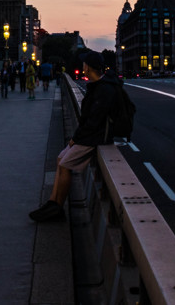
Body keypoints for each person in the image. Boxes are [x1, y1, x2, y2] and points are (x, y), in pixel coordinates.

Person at [30, 51, 119, 222]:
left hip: (95, 137)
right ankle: (52, 202)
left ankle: (57, 208)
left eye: (84, 64)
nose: (82, 66)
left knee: (65, 164)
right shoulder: (97, 85)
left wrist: (75, 139)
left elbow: (93, 122)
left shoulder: (103, 90)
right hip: (90, 135)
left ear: (89, 67)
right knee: (60, 158)